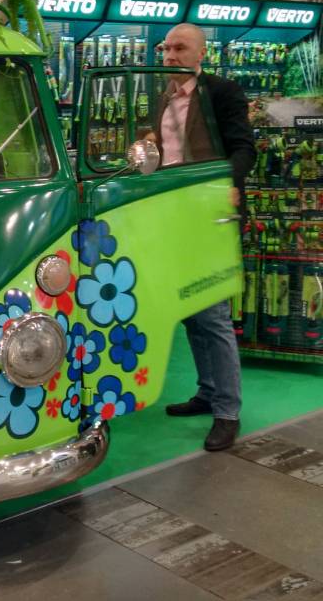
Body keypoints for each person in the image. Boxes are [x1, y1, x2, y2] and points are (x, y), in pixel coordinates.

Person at [157, 23, 256, 452]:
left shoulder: (222, 92)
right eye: (166, 48)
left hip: (209, 217)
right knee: (190, 310)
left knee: (212, 314)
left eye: (180, 48)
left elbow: (244, 149)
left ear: (201, 54)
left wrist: (227, 184)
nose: (170, 55)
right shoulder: (160, 96)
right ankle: (208, 391)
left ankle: (227, 412)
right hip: (169, 217)